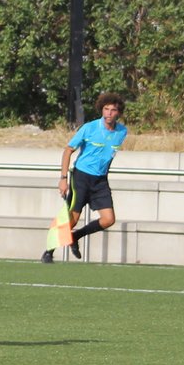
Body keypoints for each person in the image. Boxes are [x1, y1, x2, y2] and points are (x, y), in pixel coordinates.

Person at [41, 92, 127, 264]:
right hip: (81, 177)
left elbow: (109, 156)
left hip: (100, 181)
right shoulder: (90, 128)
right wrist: (63, 178)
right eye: (106, 109)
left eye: (113, 110)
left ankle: (75, 237)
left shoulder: (122, 132)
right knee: (72, 218)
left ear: (118, 112)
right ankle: (48, 251)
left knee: (109, 219)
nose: (109, 113)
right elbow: (68, 150)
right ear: (101, 110)